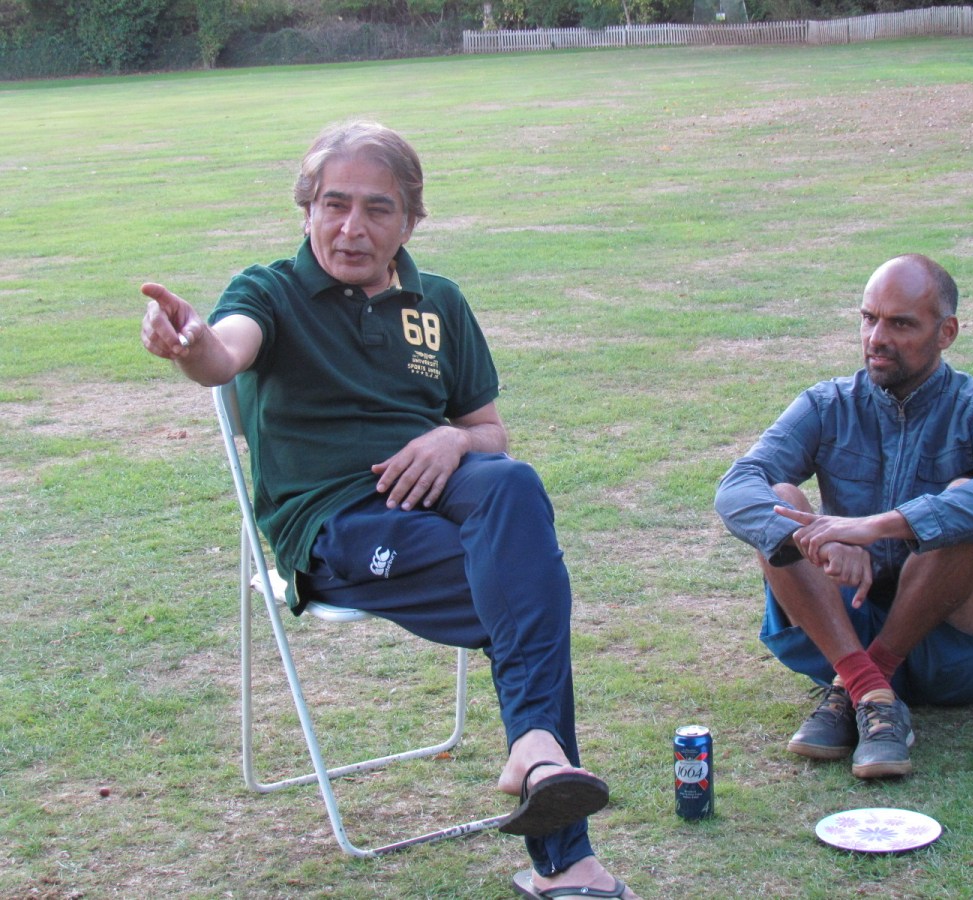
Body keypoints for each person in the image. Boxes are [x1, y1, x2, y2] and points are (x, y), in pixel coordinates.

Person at [141, 120, 638, 900]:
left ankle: (539, 758)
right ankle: (563, 847)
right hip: (339, 525)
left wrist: (451, 439)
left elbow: (489, 432)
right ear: (307, 209)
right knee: (525, 590)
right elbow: (223, 354)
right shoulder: (269, 292)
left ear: (409, 220)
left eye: (378, 208)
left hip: (440, 494)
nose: (353, 227)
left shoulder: (439, 303)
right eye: (334, 204)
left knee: (511, 482)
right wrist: (190, 341)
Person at [714, 254, 973, 780]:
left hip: (954, 649)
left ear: (947, 332)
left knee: (970, 502)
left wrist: (876, 525)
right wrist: (818, 539)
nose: (876, 338)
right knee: (778, 500)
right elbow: (736, 486)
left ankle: (864, 683)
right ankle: (868, 687)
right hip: (840, 633)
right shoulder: (827, 404)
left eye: (901, 324)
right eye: (869, 319)